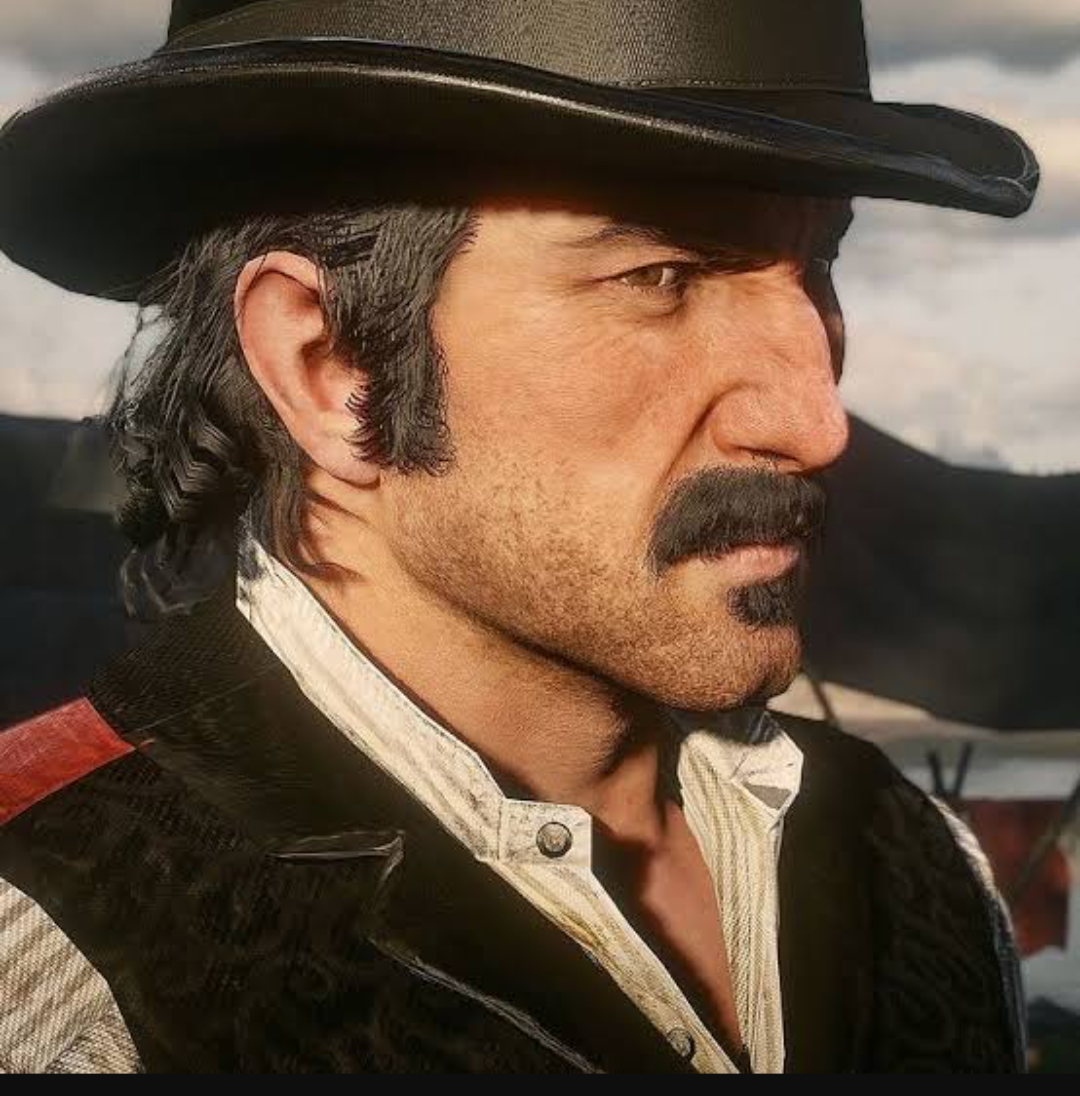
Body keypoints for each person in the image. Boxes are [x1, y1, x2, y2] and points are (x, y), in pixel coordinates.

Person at [0, 0, 1038, 1074]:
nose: (816, 423)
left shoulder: (921, 861)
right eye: (662, 278)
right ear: (328, 365)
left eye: (819, 264)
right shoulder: (49, 954)